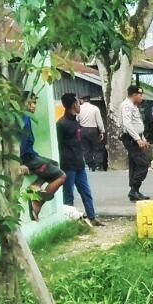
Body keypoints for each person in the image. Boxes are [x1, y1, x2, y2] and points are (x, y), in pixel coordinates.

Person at [56, 93, 103, 227]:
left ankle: (92, 217)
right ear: (73, 105)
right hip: (68, 165)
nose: (79, 105)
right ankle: (69, 222)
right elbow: (59, 145)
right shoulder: (61, 124)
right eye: (77, 103)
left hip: (79, 163)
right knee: (68, 194)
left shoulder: (76, 121)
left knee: (86, 192)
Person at [19, 92, 65, 221]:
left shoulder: (27, 117)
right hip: (27, 158)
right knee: (61, 176)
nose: (33, 105)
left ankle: (35, 187)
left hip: (31, 155)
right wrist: (20, 162)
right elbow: (18, 143)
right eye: (30, 102)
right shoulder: (22, 119)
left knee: (54, 164)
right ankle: (37, 202)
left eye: (34, 102)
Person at [119, 85, 152, 202]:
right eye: (140, 95)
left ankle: (134, 191)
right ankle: (134, 189)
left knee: (135, 164)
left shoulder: (134, 106)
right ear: (134, 95)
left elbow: (137, 125)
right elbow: (127, 124)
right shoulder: (127, 106)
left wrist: (142, 139)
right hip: (131, 139)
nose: (141, 97)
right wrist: (138, 139)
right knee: (143, 164)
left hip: (135, 137)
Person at [77, 94, 106, 171]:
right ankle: (98, 164)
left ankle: (90, 164)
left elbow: (77, 120)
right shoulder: (95, 108)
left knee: (85, 148)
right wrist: (102, 131)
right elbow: (99, 121)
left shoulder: (79, 109)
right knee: (97, 147)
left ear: (82, 100)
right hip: (93, 130)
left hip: (83, 130)